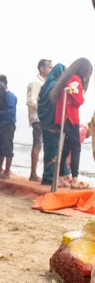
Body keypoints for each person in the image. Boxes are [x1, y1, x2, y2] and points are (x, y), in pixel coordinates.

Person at [51, 58, 93, 189]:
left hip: (64, 117)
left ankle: (60, 177)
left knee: (66, 148)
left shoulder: (68, 78)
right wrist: (82, 97)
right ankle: (74, 179)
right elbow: (78, 100)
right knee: (75, 148)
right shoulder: (75, 79)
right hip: (70, 118)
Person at [37, 64, 69, 186]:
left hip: (45, 123)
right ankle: (51, 177)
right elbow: (55, 105)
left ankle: (48, 176)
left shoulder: (45, 85)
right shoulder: (56, 86)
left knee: (49, 150)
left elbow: (41, 103)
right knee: (55, 151)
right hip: (53, 123)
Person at [27, 59, 53, 182]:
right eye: (49, 67)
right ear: (41, 68)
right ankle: (33, 173)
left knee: (43, 144)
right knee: (37, 143)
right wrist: (44, 107)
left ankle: (42, 172)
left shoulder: (47, 82)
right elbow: (31, 101)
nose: (51, 69)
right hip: (38, 117)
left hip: (46, 118)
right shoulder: (35, 82)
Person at [0, 75, 17, 179]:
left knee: (7, 147)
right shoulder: (0, 95)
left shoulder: (10, 96)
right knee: (0, 146)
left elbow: (10, 112)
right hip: (0, 124)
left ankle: (7, 171)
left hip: (8, 124)